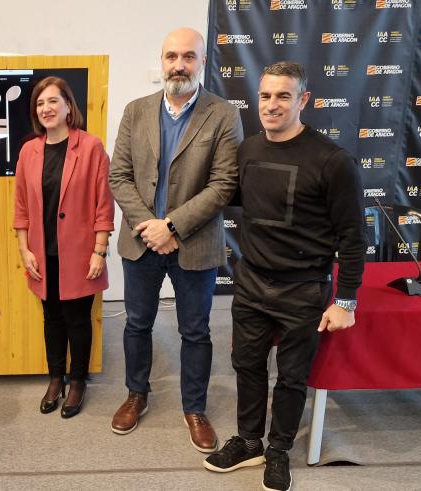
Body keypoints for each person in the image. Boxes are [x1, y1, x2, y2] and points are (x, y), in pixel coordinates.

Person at [202, 61, 364, 491]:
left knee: (292, 377)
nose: (272, 105)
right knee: (247, 365)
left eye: (283, 96)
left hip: (304, 290)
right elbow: (225, 197)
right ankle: (250, 441)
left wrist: (345, 300)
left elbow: (352, 237)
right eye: (266, 96)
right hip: (252, 283)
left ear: (304, 100)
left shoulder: (333, 161)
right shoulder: (248, 150)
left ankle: (278, 451)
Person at [108, 27, 242, 450]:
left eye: (188, 56)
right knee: (137, 324)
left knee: (196, 331)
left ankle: (195, 407)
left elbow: (225, 184)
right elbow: (120, 175)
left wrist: (171, 226)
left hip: (194, 242)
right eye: (171, 56)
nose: (178, 64)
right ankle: (136, 394)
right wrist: (150, 225)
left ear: (202, 62)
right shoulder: (136, 111)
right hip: (140, 240)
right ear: (162, 61)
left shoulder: (223, 114)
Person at [13, 76, 115, 419]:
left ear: (69, 106)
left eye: (53, 101)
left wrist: (99, 251)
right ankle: (55, 378)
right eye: (40, 104)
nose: (46, 109)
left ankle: (78, 381)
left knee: (77, 319)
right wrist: (23, 249)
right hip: (42, 252)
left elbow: (104, 204)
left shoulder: (90, 147)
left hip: (80, 252)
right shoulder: (29, 151)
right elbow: (21, 207)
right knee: (51, 318)